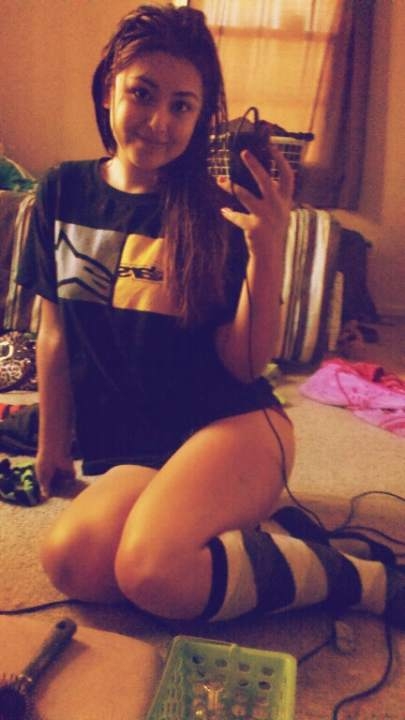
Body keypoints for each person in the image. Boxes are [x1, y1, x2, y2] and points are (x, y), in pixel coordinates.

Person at [18, 3, 405, 628]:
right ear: (109, 88)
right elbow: (54, 334)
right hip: (136, 449)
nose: (159, 122)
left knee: (152, 571)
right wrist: (52, 443)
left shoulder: (214, 211)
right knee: (73, 563)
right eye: (142, 93)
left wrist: (269, 246)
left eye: (182, 105)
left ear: (201, 118)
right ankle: (259, 539)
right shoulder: (62, 192)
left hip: (234, 427)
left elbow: (246, 364)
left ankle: (363, 578)